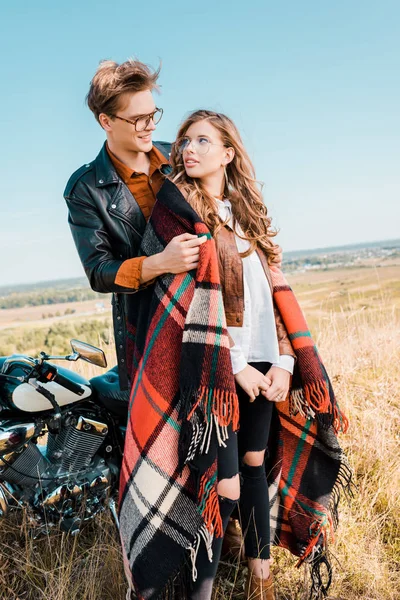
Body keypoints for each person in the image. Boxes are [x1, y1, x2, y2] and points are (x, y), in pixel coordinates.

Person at [119, 109, 350, 600]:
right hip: (216, 373)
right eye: (184, 142)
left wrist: (286, 364)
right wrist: (237, 367)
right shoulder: (178, 213)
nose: (188, 149)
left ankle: (260, 579)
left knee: (257, 467)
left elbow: (276, 300)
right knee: (221, 487)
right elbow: (183, 311)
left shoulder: (248, 218)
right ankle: (200, 591)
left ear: (228, 153)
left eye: (203, 141)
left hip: (268, 367)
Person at [63, 59, 209, 394]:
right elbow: (99, 271)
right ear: (106, 121)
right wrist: (160, 263)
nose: (149, 126)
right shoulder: (84, 189)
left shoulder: (180, 158)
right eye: (137, 119)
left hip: (209, 311)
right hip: (147, 326)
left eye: (152, 114)